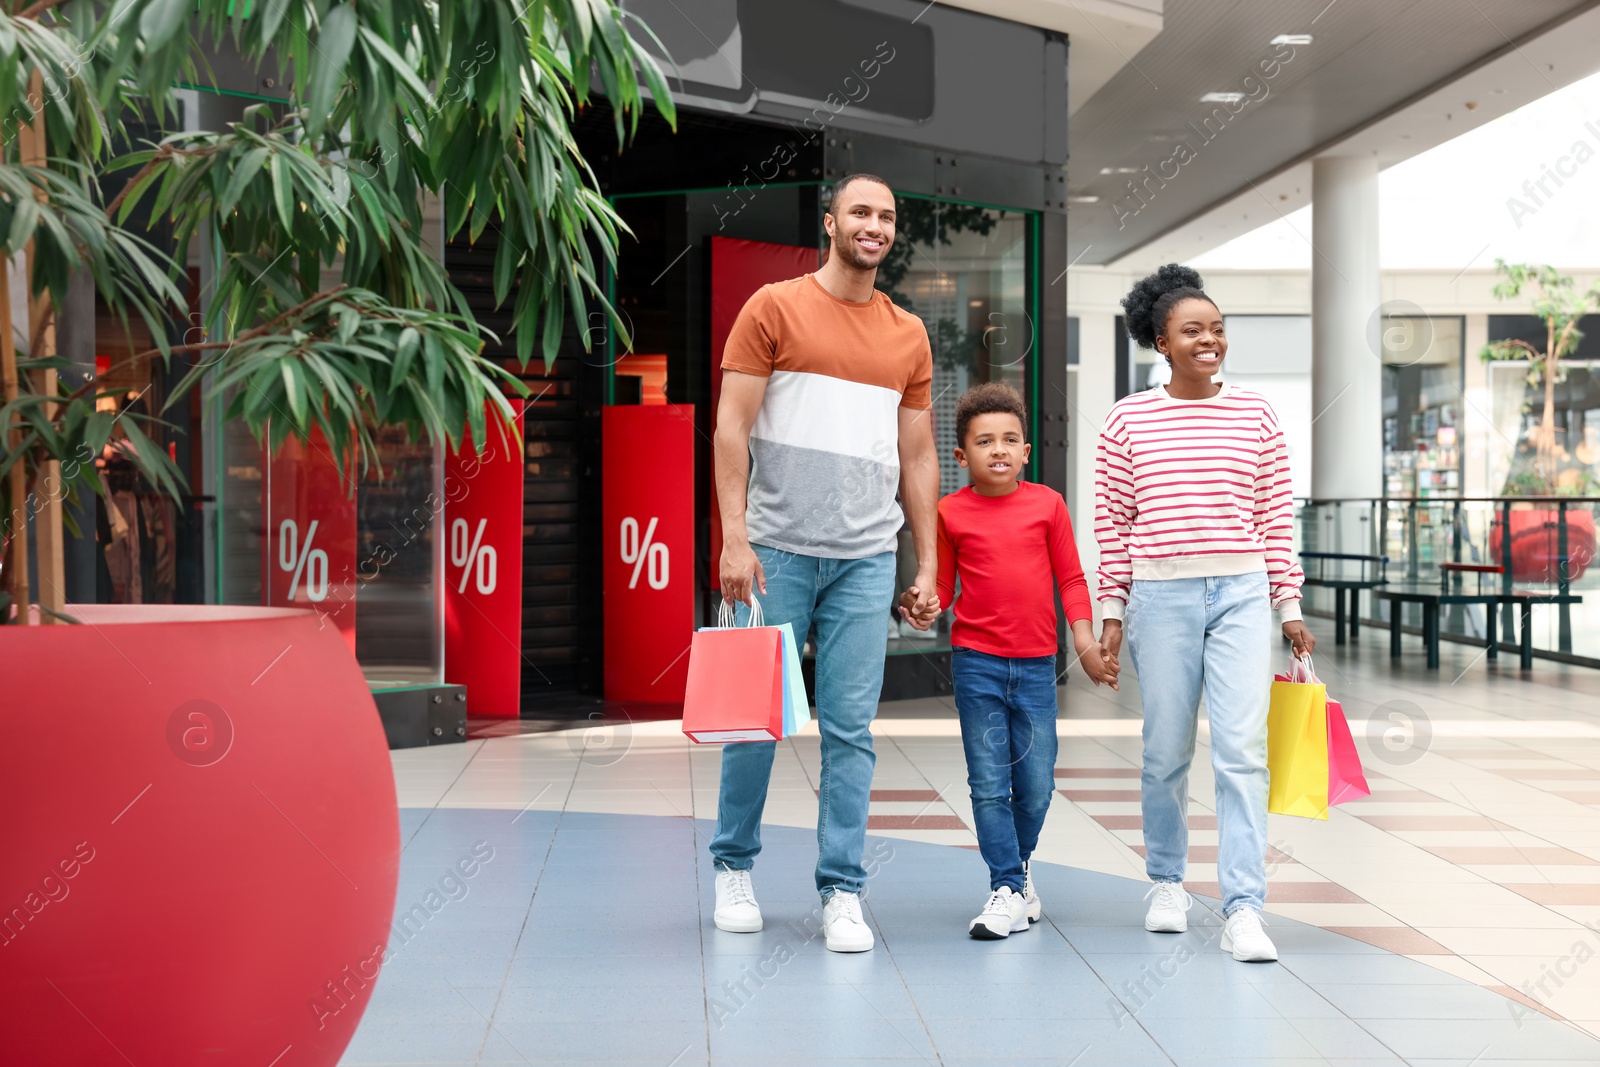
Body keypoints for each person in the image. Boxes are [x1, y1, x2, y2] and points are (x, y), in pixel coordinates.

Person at [710, 173, 940, 953]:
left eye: (887, 215)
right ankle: (733, 866)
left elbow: (917, 453)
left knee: (852, 730)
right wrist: (733, 537)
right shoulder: (772, 307)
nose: (875, 225)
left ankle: (843, 887)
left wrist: (927, 563)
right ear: (832, 222)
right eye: (862, 212)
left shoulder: (908, 333)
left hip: (867, 556)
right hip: (774, 551)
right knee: (754, 720)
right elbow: (730, 429)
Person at [1094, 264, 1316, 963]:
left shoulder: (1257, 414)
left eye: (1218, 329)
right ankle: (1166, 882)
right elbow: (1112, 522)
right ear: (1161, 340)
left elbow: (1275, 515)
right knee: (1165, 749)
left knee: (1242, 752)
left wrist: (1289, 604)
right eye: (1193, 330)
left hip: (1244, 593)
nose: (1210, 339)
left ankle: (1245, 907)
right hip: (1161, 594)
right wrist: (1112, 612)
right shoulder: (1128, 418)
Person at [900, 383, 1118, 939]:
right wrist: (925, 607)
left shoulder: (1048, 504)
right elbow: (943, 587)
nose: (998, 450)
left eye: (1010, 440)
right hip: (977, 664)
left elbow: (1070, 578)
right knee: (990, 782)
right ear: (961, 456)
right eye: (984, 441)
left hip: (1038, 665)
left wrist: (1086, 644)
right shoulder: (950, 512)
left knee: (1038, 783)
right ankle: (1004, 887)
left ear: (1026, 451)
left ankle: (1017, 873)